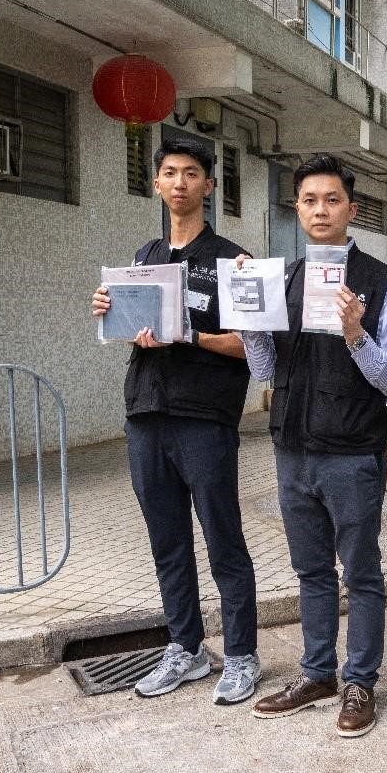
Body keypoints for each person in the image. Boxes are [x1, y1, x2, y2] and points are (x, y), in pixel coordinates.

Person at [91, 137, 260, 705]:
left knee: (223, 541)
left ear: (209, 186)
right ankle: (186, 650)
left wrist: (190, 335)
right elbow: (134, 334)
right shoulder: (144, 258)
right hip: (147, 413)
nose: (181, 182)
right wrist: (113, 312)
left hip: (205, 417)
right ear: (158, 185)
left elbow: (251, 348)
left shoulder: (233, 259)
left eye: (192, 173)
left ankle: (240, 656)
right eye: (170, 173)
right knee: (167, 542)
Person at [241, 155, 387, 737]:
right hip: (292, 445)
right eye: (309, 200)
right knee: (310, 569)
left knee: (360, 571)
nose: (320, 210)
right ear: (298, 208)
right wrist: (250, 321)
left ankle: (360, 681)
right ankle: (318, 672)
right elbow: (265, 370)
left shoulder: (383, 281)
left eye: (332, 200)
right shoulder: (281, 278)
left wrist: (355, 332)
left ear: (351, 210)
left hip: (353, 449)